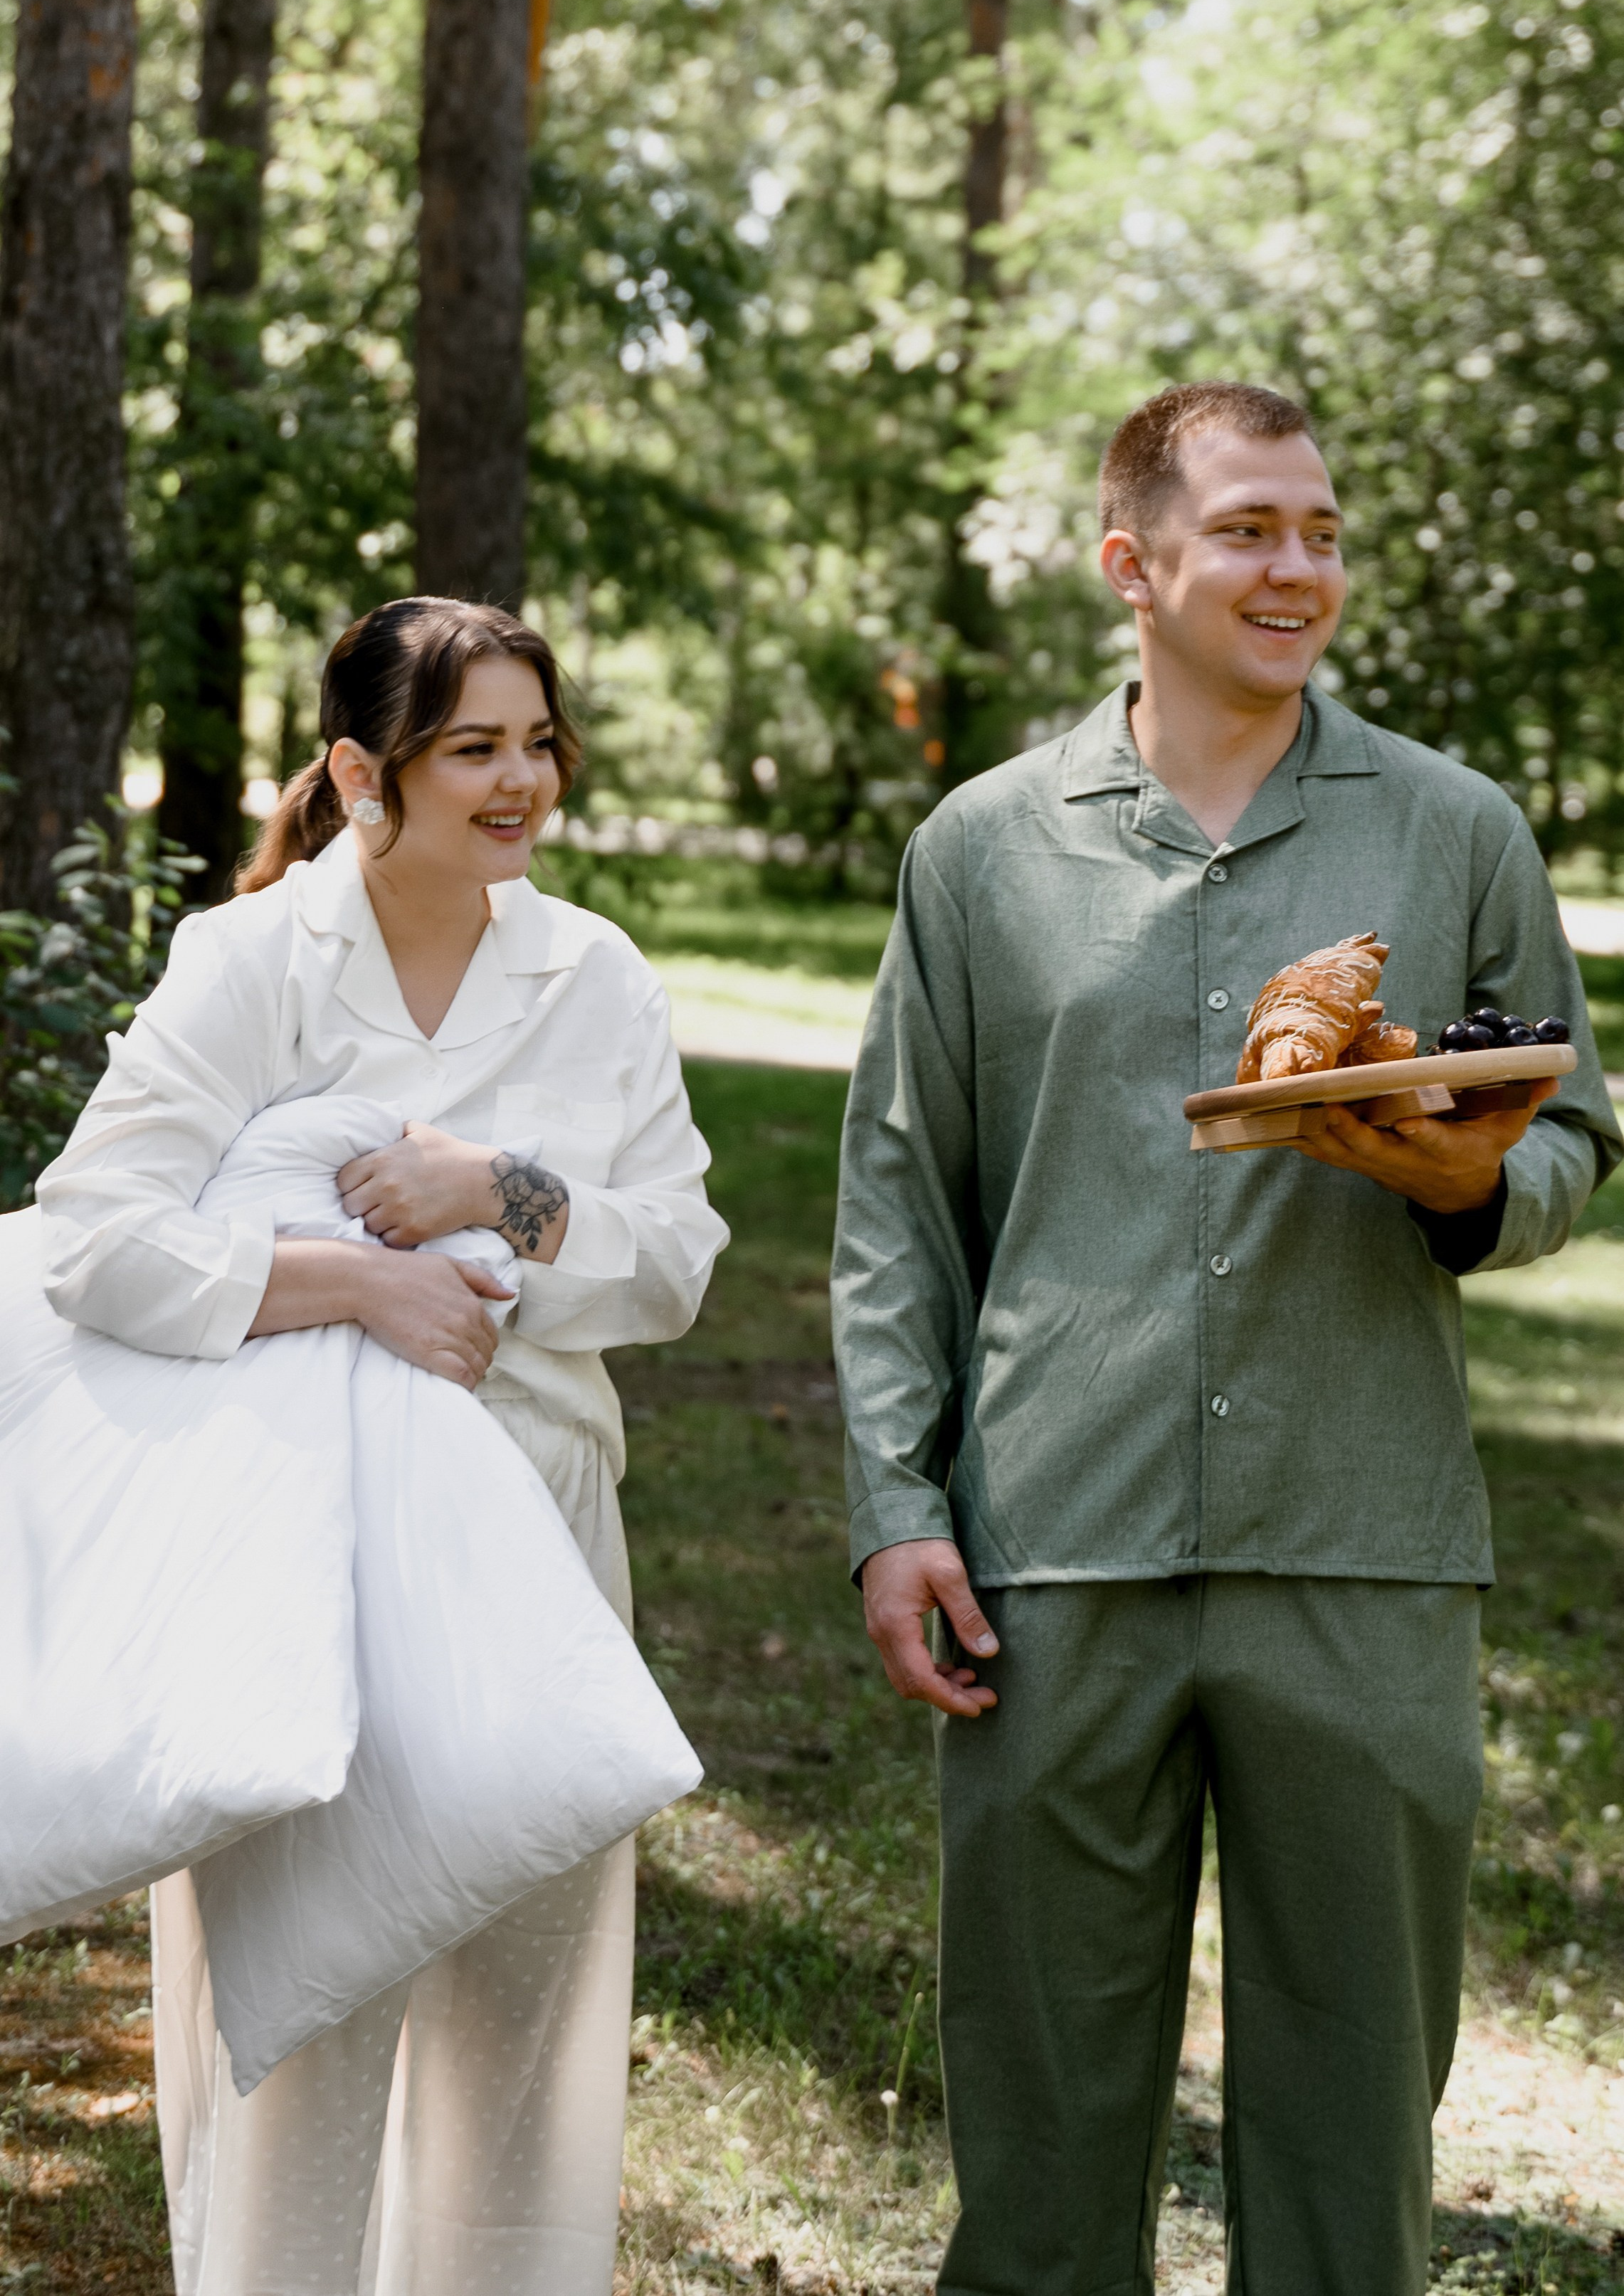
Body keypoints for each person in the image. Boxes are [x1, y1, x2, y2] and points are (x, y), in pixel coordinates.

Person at [831, 383, 1622, 2296]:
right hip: (1053, 1548)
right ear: (1136, 562)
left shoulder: (1452, 834)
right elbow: (892, 1203)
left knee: (1355, 2137)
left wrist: (1456, 1183)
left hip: (1359, 1541)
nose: (1301, 570)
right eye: (1256, 528)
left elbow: (1571, 1127)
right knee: (1037, 2136)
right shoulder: (981, 850)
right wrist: (893, 1504)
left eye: (1323, 532)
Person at [31, 596, 729, 2296]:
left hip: (540, 1543)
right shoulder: (253, 961)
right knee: (291, 2040)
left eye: (538, 743)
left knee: (522, 2042)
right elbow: (89, 1235)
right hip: (294, 1561)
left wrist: (500, 1194)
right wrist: (351, 1277)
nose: (519, 782)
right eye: (471, 746)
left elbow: (681, 1259)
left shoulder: (596, 972)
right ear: (362, 770)